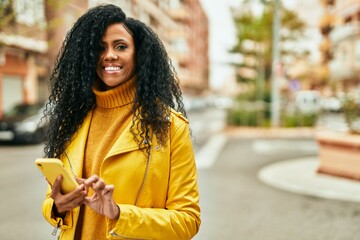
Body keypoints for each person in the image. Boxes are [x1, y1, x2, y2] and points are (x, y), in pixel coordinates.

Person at [41, 4, 200, 240]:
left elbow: (188, 221)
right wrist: (57, 207)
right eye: (99, 48)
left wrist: (119, 214)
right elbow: (50, 200)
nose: (109, 55)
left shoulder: (170, 127)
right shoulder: (72, 121)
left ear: (139, 56)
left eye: (121, 46)